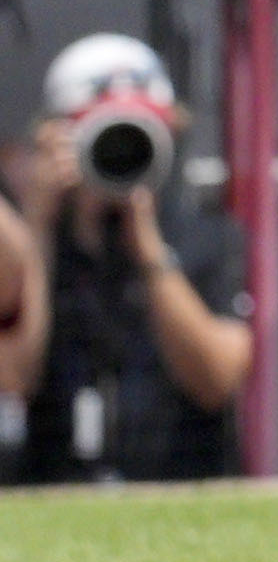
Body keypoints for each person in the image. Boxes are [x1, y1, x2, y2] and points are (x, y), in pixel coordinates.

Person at [11, 30, 257, 484]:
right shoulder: (38, 252)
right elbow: (13, 380)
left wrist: (147, 247)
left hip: (183, 484)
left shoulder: (207, 238)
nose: (119, 150)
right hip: (54, 484)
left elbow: (218, 378)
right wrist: (39, 227)